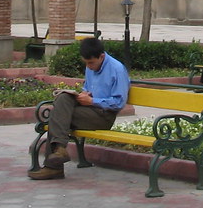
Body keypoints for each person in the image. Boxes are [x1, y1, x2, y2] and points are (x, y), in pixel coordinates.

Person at [28, 37, 130, 181]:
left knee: (57, 116)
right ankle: (59, 150)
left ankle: (54, 167)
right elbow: (88, 88)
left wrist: (93, 101)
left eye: (91, 63)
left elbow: (119, 102)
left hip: (104, 116)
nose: (88, 66)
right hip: (88, 110)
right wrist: (84, 95)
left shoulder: (117, 69)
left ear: (101, 56)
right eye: (86, 63)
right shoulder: (90, 67)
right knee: (63, 98)